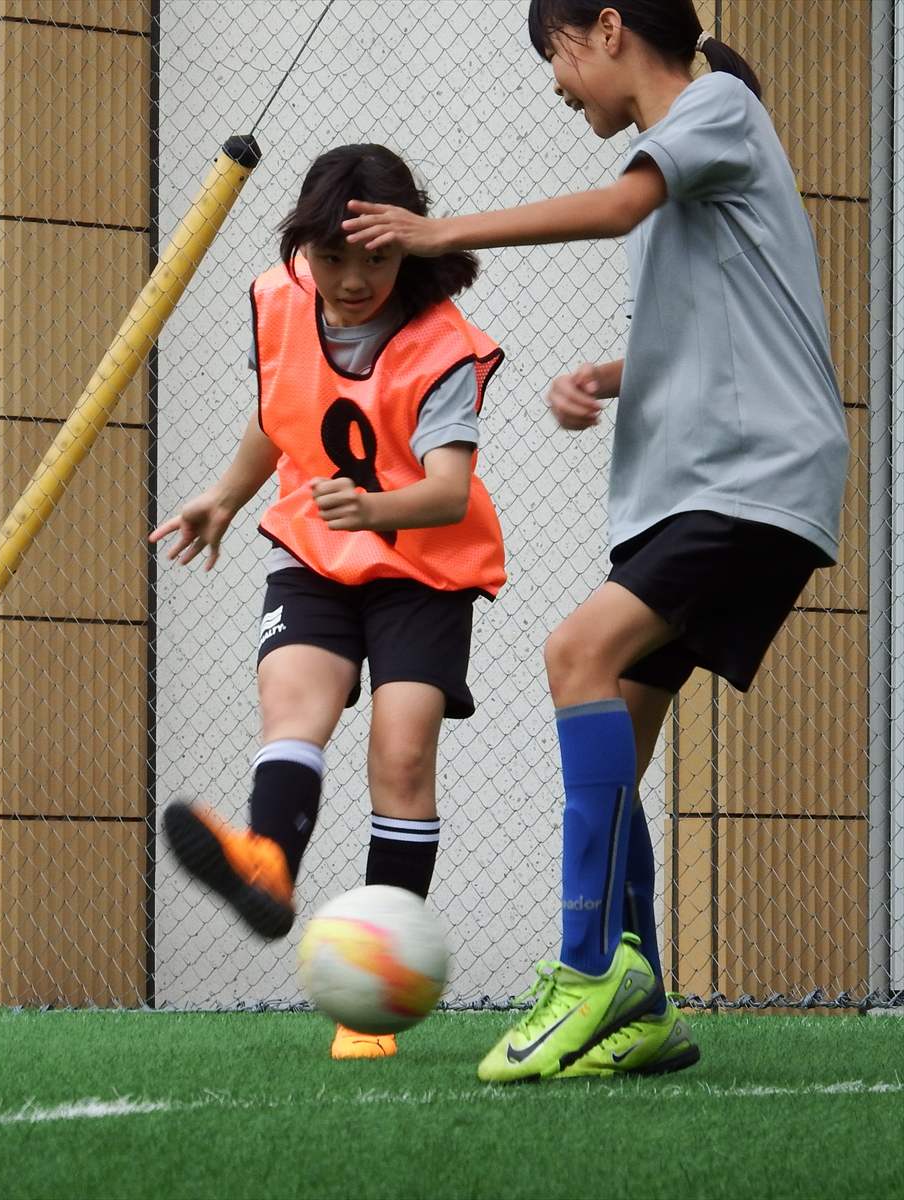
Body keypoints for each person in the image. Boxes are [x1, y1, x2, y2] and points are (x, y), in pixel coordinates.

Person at [344, 0, 847, 1083]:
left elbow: (618, 208)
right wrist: (607, 376)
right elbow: (728, 321)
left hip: (747, 478)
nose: (557, 83)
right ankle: (640, 1000)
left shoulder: (715, 105)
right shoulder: (704, 144)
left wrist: (435, 232)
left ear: (608, 28)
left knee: (574, 653)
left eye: (557, 55)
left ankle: (586, 971)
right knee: (616, 708)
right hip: (703, 486)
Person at [150, 143, 507, 1061]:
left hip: (422, 570)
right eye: (332, 256)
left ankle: (374, 992)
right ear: (303, 246)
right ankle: (268, 864)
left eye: (376, 259)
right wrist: (225, 497)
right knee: (291, 705)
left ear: (409, 246)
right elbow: (282, 414)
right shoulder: (281, 300)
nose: (353, 279)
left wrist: (375, 510)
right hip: (315, 553)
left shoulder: (442, 346)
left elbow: (449, 492)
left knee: (402, 752)